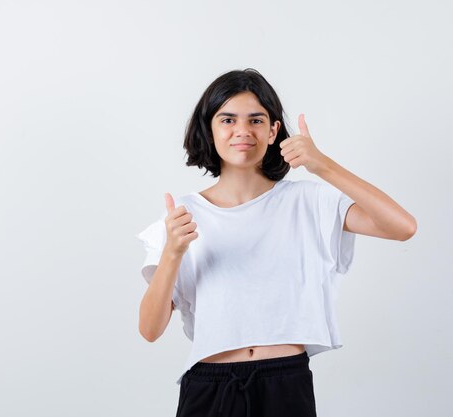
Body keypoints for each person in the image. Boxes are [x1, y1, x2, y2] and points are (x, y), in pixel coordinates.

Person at [135, 68, 417, 417]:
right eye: (227, 120)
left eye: (256, 120)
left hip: (284, 382)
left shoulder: (308, 201)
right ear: (209, 128)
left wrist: (322, 165)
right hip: (209, 387)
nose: (242, 131)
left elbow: (402, 227)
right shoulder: (183, 216)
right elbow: (149, 329)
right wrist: (173, 253)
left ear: (274, 131)